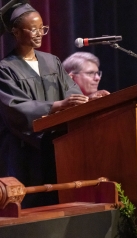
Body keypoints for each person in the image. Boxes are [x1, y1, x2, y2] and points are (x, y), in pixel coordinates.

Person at [0, 2, 107, 208]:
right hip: (24, 154)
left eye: (42, 28)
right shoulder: (5, 68)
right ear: (15, 31)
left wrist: (89, 101)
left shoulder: (52, 62)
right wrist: (58, 105)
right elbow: (16, 108)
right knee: (31, 207)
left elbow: (72, 93)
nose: (40, 34)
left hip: (56, 147)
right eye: (33, 29)